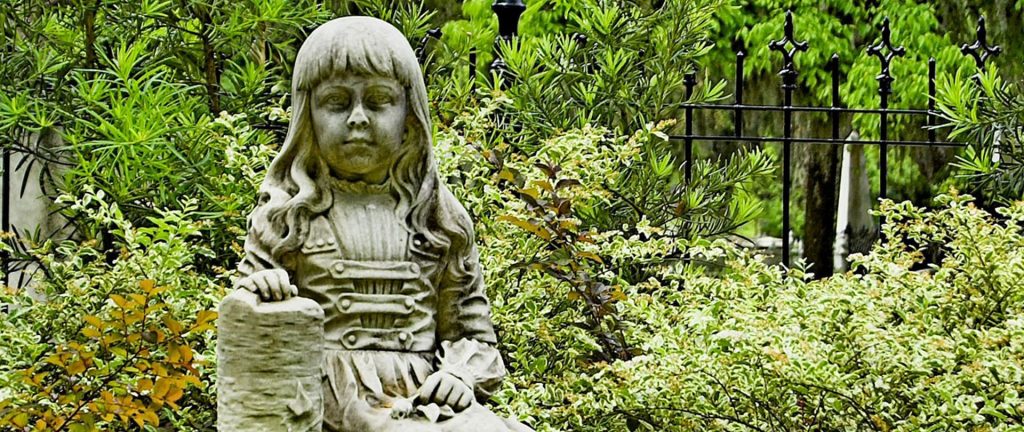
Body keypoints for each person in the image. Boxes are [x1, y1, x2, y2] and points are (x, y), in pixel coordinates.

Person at [233, 16, 532, 432]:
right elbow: (245, 322)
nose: (358, 118)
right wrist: (259, 291)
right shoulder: (289, 215)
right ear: (309, 116)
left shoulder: (438, 218)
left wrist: (459, 376)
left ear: (409, 115)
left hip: (424, 393)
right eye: (337, 103)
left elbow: (472, 334)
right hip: (335, 398)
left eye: (378, 101)